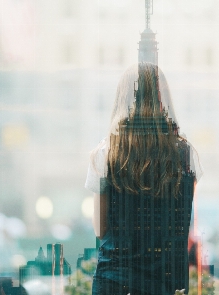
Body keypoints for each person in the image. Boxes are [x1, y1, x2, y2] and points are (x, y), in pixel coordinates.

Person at [85, 62, 202, 295]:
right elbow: (183, 220)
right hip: (167, 281)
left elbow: (100, 229)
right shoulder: (186, 153)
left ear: (122, 99)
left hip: (116, 279)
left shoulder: (106, 153)